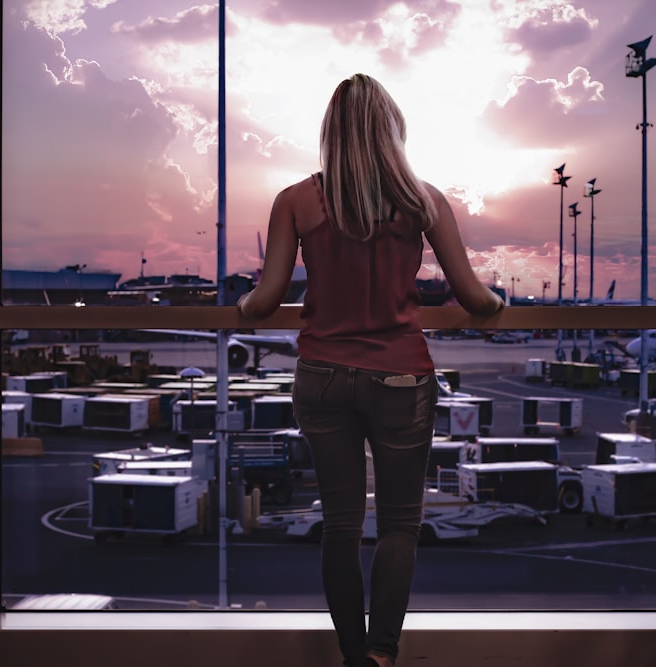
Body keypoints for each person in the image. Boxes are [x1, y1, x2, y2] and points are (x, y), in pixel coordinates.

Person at [236, 73, 504, 667]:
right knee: (400, 524)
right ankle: (383, 654)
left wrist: (243, 308)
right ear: (392, 129)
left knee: (339, 524)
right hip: (401, 376)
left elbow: (267, 296)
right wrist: (496, 308)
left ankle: (352, 657)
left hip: (324, 373)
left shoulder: (297, 200)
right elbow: (472, 296)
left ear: (330, 131)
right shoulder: (422, 199)